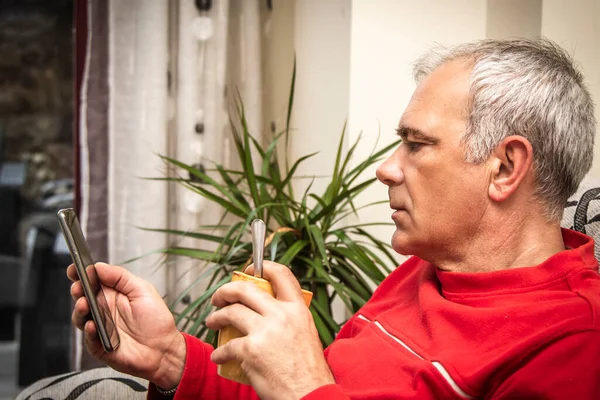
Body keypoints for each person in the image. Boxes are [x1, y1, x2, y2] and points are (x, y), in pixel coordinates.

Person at [69, 38, 600, 399]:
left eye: (417, 145)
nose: (387, 170)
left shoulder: (573, 342)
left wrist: (304, 387)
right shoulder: (422, 269)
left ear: (505, 167)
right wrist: (170, 358)